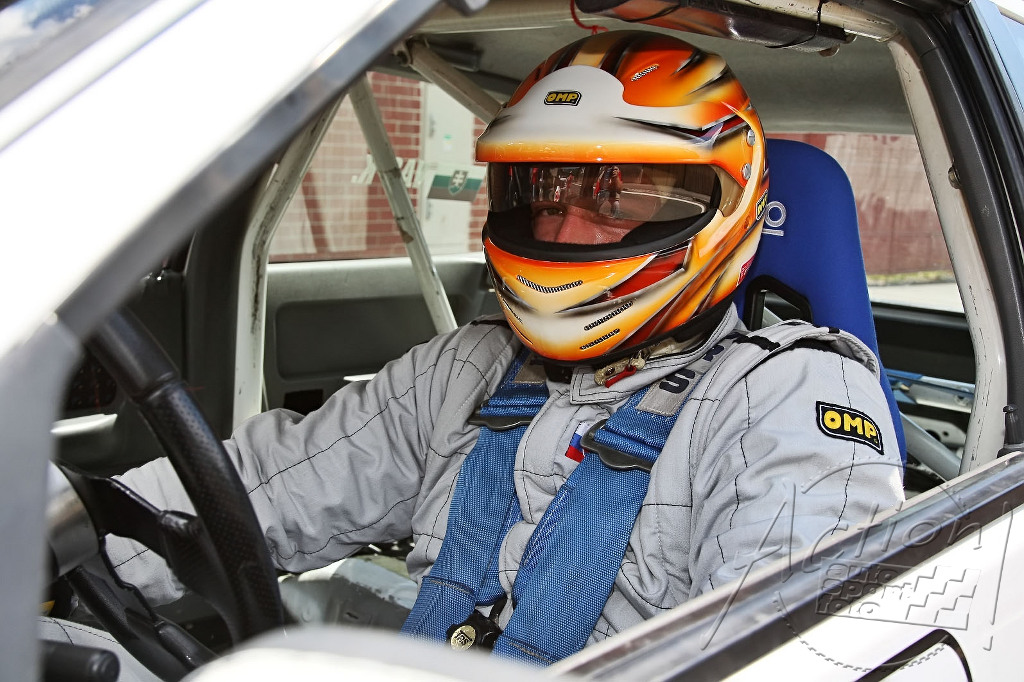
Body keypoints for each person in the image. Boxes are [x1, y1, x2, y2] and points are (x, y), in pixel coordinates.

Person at [96, 30, 903, 669]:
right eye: (545, 190)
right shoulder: (466, 369)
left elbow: (797, 654)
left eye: (619, 194)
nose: (567, 227)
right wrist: (76, 531)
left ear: (722, 202)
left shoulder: (789, 396)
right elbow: (254, 490)